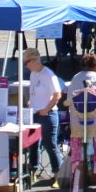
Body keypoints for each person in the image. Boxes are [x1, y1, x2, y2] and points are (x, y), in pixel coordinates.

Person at [65, 52, 96, 192]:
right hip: (93, 125)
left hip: (76, 124)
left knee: (78, 158)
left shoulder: (77, 76)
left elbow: (68, 99)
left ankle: (77, 191)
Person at [23, 51, 65, 183]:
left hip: (48, 114)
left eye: (26, 62)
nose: (26, 66)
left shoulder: (49, 75)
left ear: (34, 60)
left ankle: (59, 174)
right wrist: (30, 101)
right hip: (34, 112)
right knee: (33, 144)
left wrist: (46, 109)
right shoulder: (33, 73)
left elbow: (57, 94)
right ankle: (33, 170)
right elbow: (33, 90)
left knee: (50, 144)